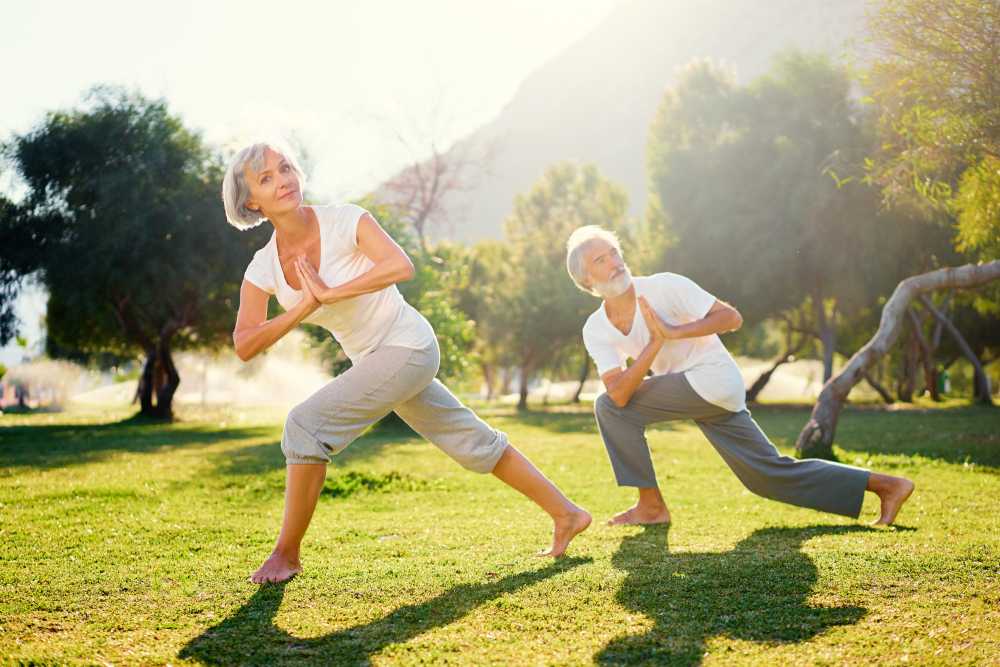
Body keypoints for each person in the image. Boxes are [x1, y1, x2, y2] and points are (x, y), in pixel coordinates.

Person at [222, 141, 591, 584]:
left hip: (408, 346)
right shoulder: (263, 268)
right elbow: (245, 344)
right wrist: (302, 307)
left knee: (305, 426)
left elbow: (400, 265)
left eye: (285, 168)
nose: (283, 180)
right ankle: (567, 514)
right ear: (250, 202)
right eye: (266, 178)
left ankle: (287, 554)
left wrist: (333, 293)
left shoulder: (345, 219)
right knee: (469, 438)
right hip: (375, 361)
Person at [564, 225, 915, 527]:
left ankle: (651, 506)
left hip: (713, 379)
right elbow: (620, 393)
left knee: (606, 408)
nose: (614, 262)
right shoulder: (595, 328)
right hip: (694, 391)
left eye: (614, 253)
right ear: (586, 281)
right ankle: (887, 486)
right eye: (601, 260)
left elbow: (730, 318)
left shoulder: (664, 286)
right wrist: (655, 343)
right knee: (766, 477)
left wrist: (673, 331)